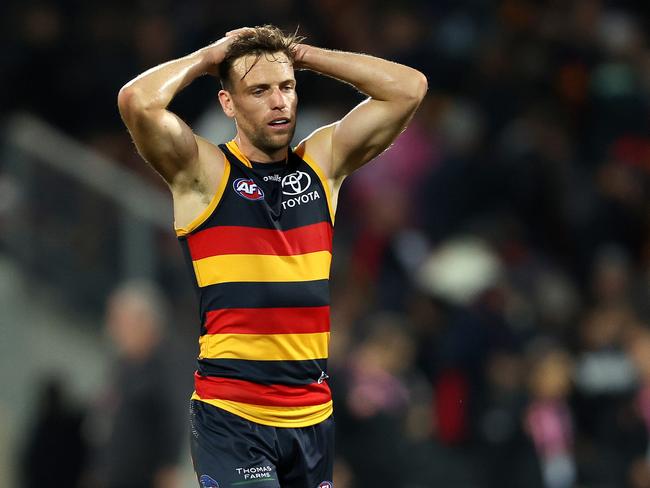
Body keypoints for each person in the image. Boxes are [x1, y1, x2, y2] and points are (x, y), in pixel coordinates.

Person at [117, 24, 427, 488]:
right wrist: (210, 56)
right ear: (228, 104)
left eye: (286, 87)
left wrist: (302, 55)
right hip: (233, 416)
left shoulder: (322, 163)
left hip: (312, 416)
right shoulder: (204, 173)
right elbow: (137, 101)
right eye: (258, 90)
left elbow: (409, 88)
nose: (278, 101)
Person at [91, 280, 187, 488]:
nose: (112, 329)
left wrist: (168, 470)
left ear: (143, 322)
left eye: (119, 321)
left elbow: (173, 422)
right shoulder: (123, 366)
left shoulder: (165, 366)